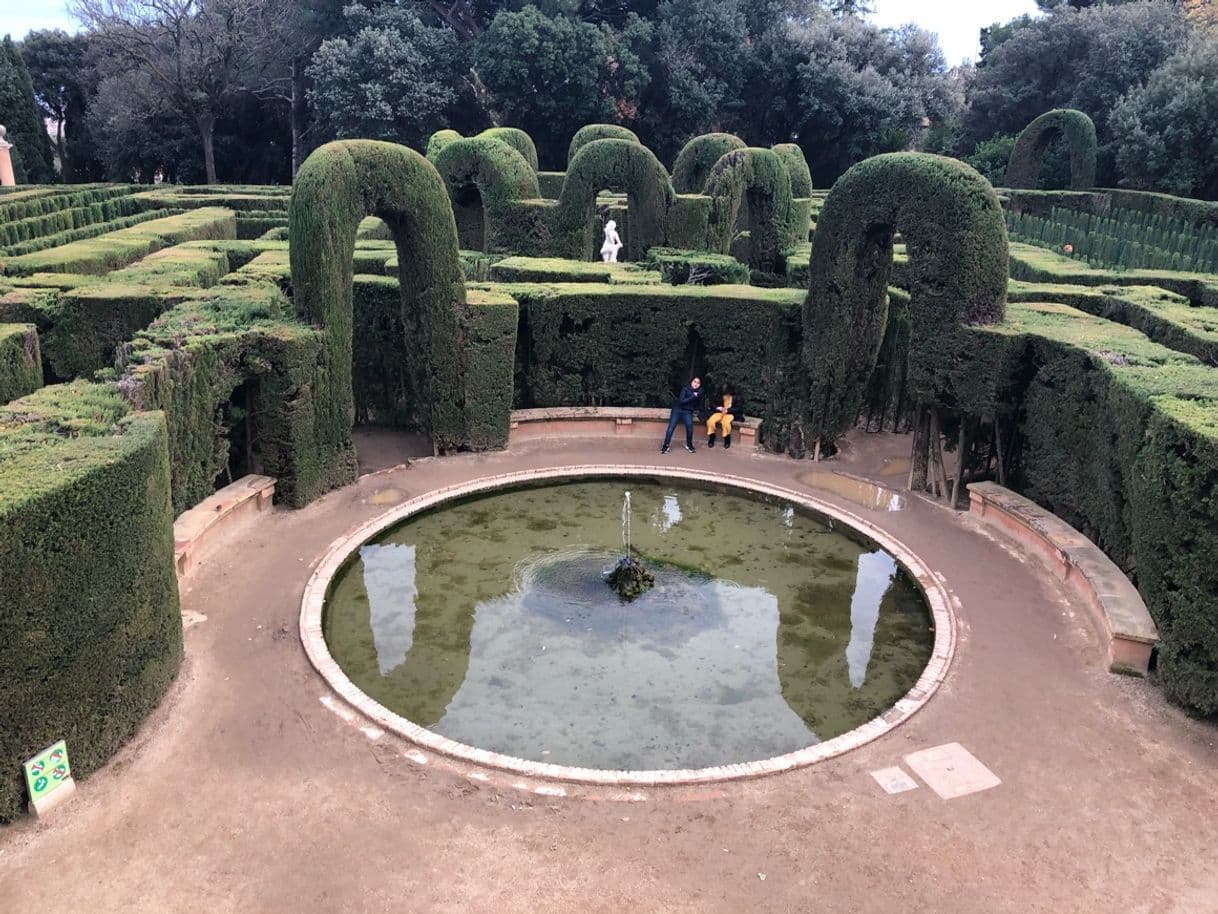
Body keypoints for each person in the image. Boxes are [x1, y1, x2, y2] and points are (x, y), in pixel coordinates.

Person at [661, 376, 703, 454]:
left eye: (698, 383)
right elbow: (682, 401)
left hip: (688, 411)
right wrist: (693, 396)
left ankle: (689, 445)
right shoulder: (685, 388)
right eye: (694, 382)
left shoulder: (700, 392)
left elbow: (700, 404)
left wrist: (700, 411)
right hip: (677, 409)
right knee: (671, 427)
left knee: (690, 427)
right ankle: (665, 446)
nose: (696, 384)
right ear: (691, 382)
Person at [704, 384, 743, 449]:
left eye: (727, 392)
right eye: (725, 393)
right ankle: (712, 437)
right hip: (719, 412)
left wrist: (728, 410)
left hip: (730, 413)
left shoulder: (737, 397)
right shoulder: (719, 395)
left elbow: (738, 408)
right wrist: (717, 407)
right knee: (710, 421)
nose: (726, 394)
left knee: (726, 423)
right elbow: (712, 404)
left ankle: (727, 439)